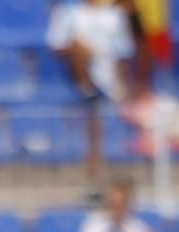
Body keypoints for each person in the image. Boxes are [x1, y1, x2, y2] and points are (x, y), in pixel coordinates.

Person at [47, 0, 136, 183]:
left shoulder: (115, 15)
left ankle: (95, 93)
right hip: (77, 72)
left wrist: (122, 84)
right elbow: (57, 46)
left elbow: (123, 53)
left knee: (97, 120)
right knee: (76, 45)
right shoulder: (69, 12)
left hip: (106, 76)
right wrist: (81, 50)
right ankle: (87, 89)